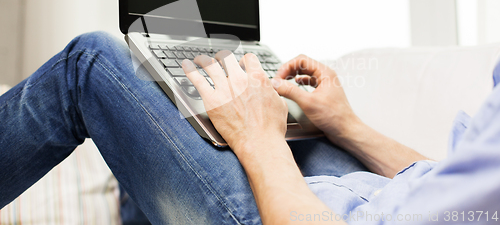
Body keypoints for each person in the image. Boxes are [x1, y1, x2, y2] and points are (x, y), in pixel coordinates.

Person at [1, 32, 499, 224]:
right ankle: (137, 177)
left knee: (89, 65)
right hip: (370, 197)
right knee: (198, 115)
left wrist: (259, 139)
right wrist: (346, 126)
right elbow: (457, 192)